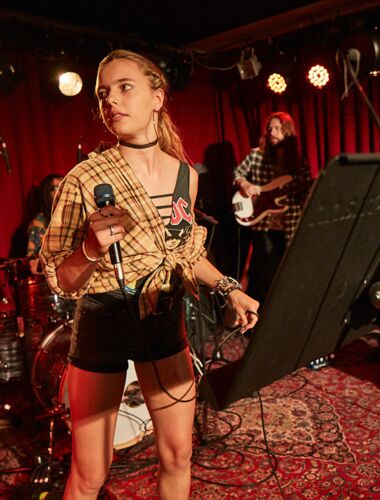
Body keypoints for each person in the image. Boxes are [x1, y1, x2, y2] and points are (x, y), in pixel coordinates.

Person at [40, 49, 259, 499]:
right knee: (90, 474)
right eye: (103, 93)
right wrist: (90, 248)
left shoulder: (185, 176)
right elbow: (61, 278)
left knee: (178, 456)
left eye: (125, 87)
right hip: (104, 323)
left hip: (164, 323)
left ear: (158, 97)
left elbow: (184, 252)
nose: (110, 101)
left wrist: (229, 287)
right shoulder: (84, 179)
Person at [233, 111, 311, 305]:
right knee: (264, 275)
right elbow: (237, 173)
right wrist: (245, 184)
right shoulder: (256, 155)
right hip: (264, 223)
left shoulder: (299, 163)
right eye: (270, 128)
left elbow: (305, 194)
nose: (272, 132)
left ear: (288, 132)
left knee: (289, 274)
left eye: (277, 128)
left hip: (290, 224)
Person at [26, 173, 63, 275]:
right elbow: (32, 262)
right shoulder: (40, 221)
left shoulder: (76, 217)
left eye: (65, 186)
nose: (62, 190)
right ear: (47, 194)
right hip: (53, 279)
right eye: (57, 187)